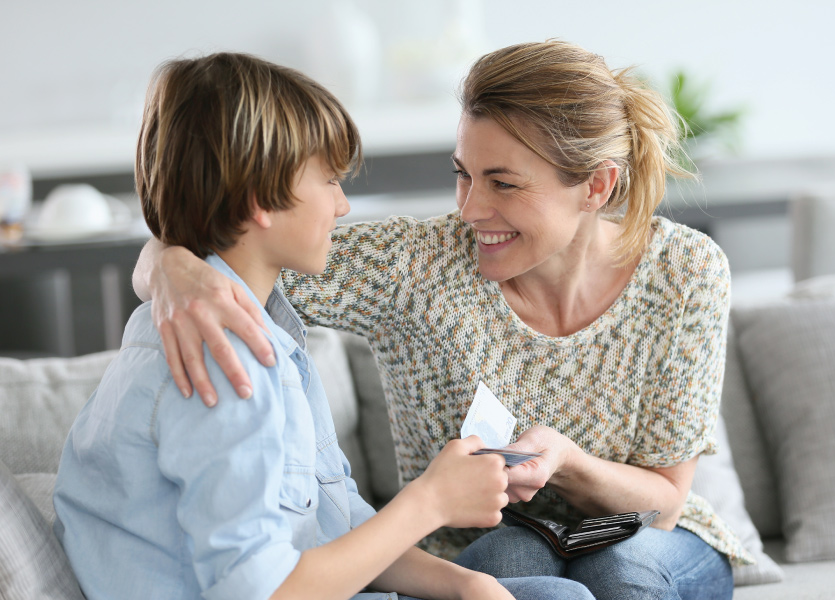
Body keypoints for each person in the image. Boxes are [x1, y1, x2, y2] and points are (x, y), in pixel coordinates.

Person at [133, 41, 754, 599]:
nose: (472, 209)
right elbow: (236, 244)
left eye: (503, 184)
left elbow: (666, 505)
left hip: (650, 540)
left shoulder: (685, 271)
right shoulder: (415, 267)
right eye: (463, 174)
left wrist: (566, 462)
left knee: (620, 573)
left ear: (596, 186)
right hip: (474, 548)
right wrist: (167, 268)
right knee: (509, 558)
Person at [53, 52, 594, 600]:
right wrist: (429, 502)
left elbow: (336, 522)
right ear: (261, 197)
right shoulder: (224, 360)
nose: (341, 204)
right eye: (331, 180)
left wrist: (464, 584)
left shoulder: (265, 335)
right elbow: (261, 592)